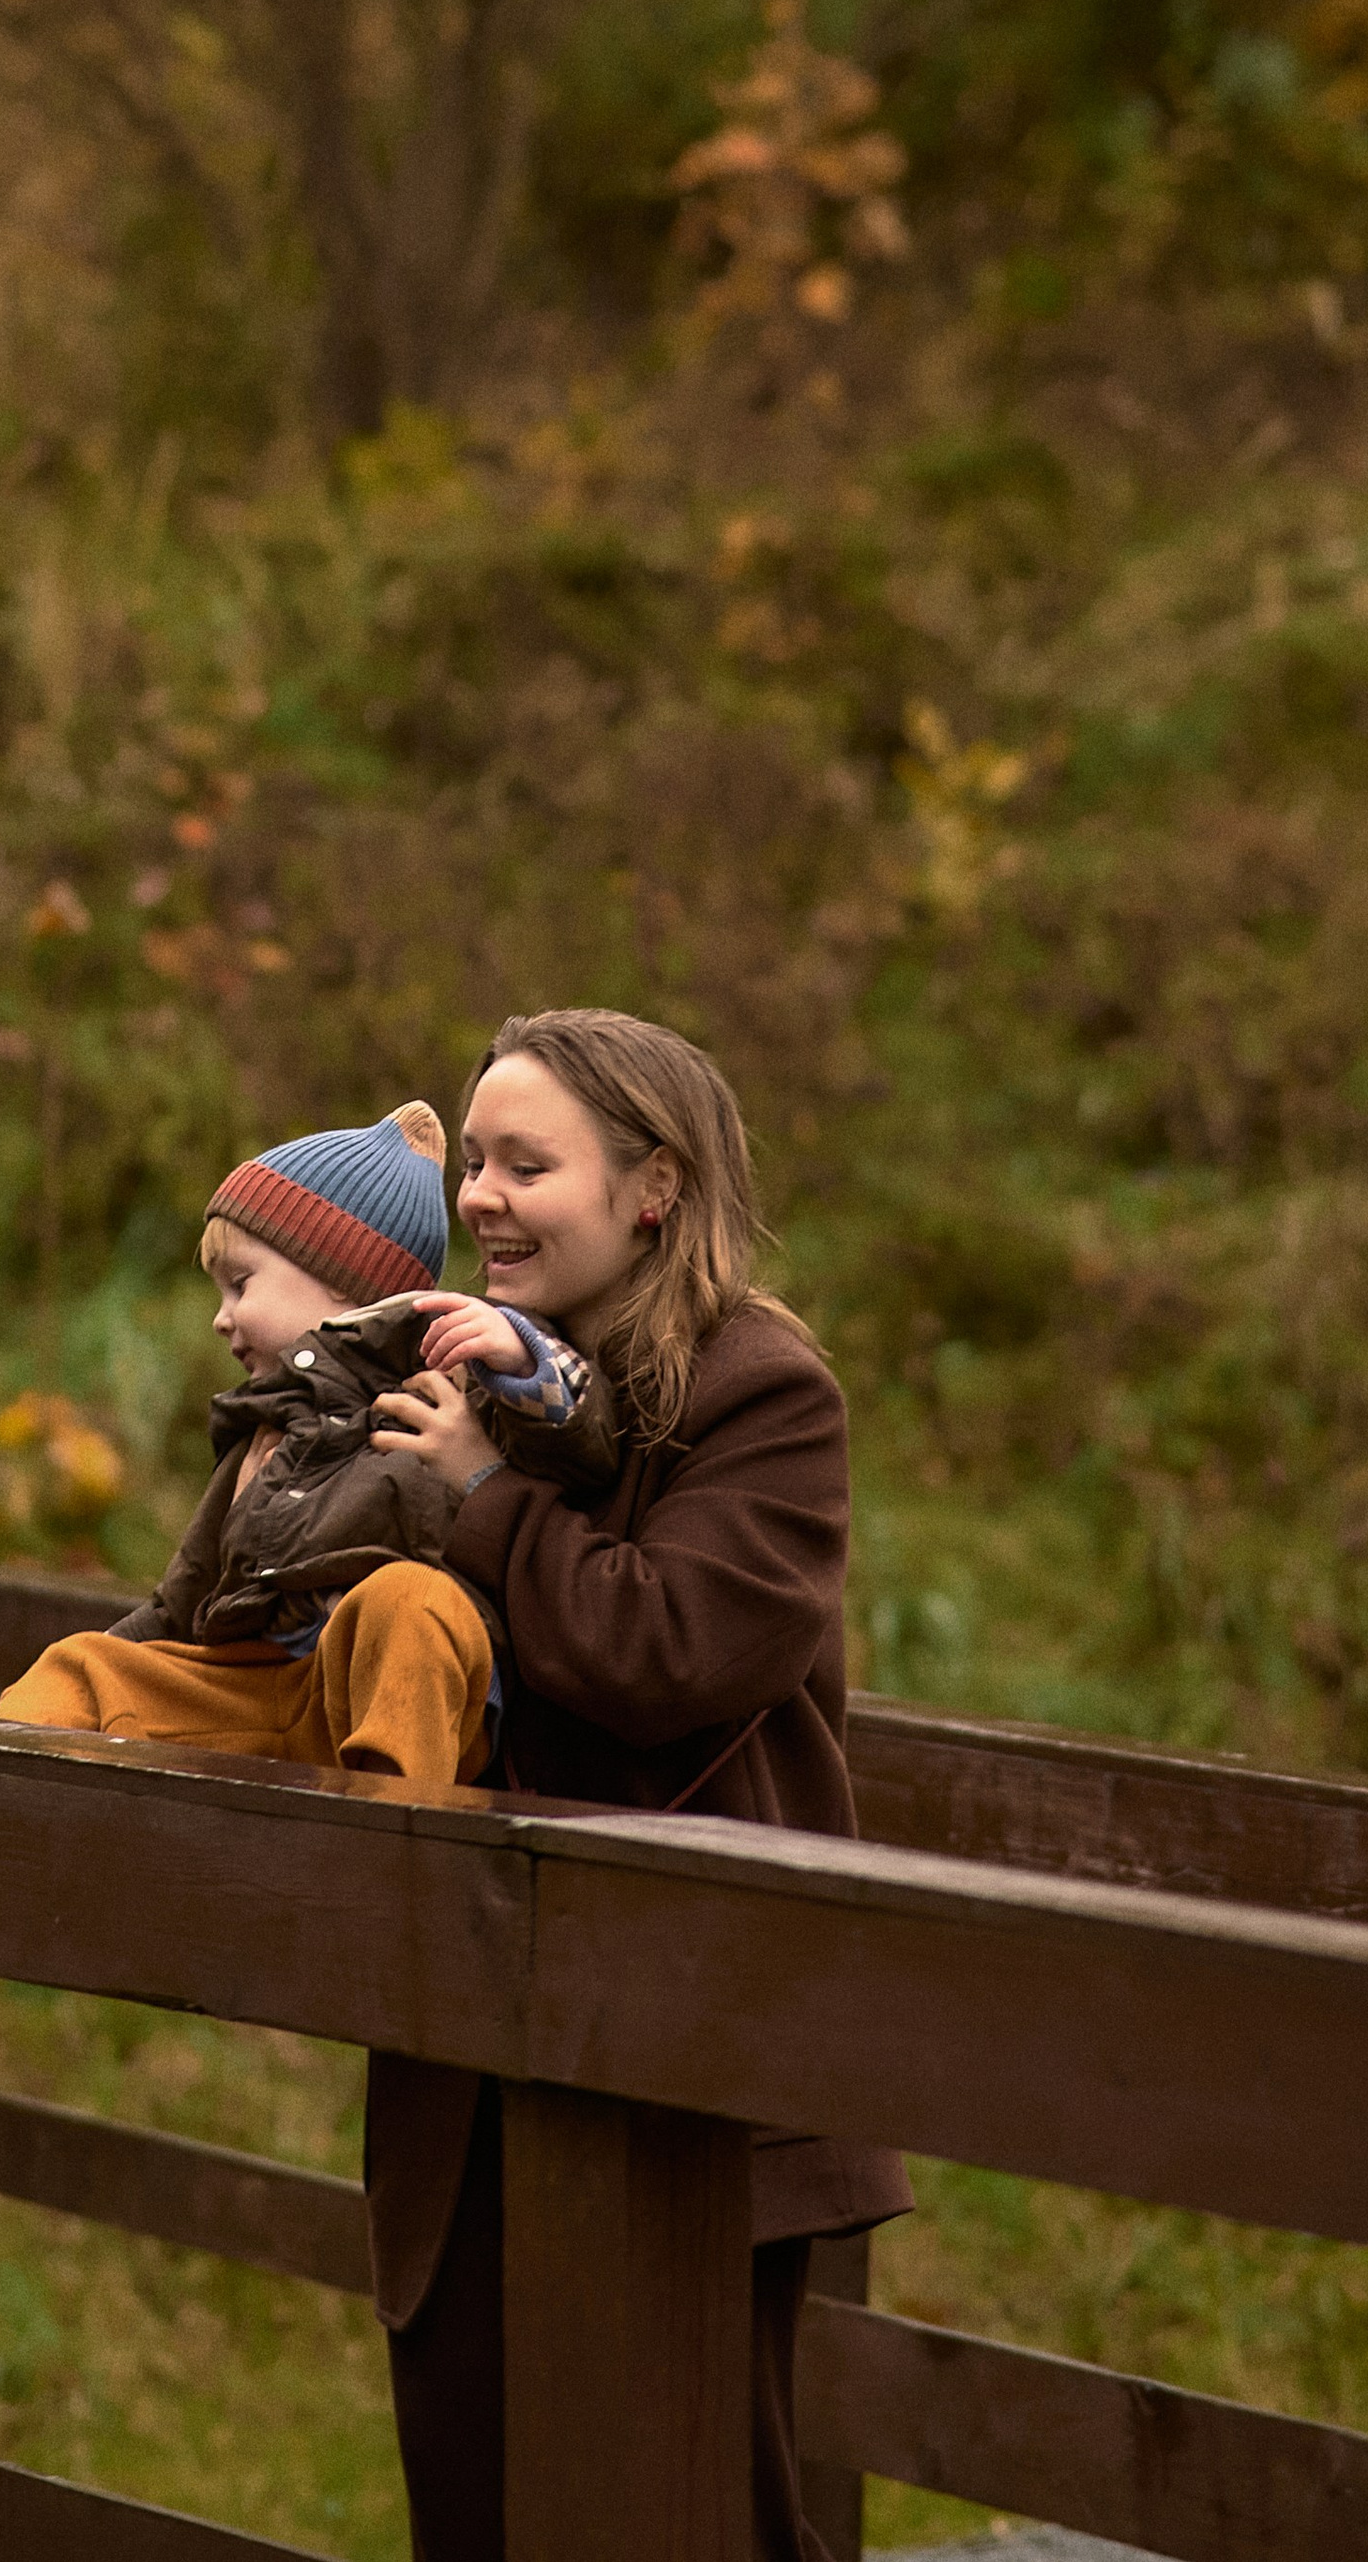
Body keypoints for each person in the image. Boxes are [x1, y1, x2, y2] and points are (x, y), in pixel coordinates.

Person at [360, 1006, 909, 2562]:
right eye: (475, 1160)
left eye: (527, 1162)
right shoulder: (464, 1365)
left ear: (653, 1185)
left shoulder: (762, 1392)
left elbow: (663, 1653)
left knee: (694, 2517)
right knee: (477, 2508)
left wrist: (477, 1494)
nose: (480, 1197)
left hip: (691, 2050)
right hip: (471, 2041)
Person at [0, 1104, 615, 1784]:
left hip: (381, 1692)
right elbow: (178, 1603)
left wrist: (523, 1361)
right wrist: (122, 1671)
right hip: (255, 1688)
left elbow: (577, 1441)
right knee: (91, 1661)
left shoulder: (445, 1378)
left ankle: (398, 1828)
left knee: (411, 1604)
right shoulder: (263, 1431)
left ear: (344, 1281)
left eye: (241, 1285)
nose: (222, 1317)